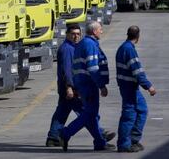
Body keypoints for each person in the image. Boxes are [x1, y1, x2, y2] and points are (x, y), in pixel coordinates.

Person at [46, 24, 115, 147]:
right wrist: (69, 87)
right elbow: (67, 70)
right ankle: (98, 135)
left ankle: (53, 137)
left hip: (72, 87)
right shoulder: (68, 49)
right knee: (87, 113)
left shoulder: (76, 46)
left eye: (78, 34)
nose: (76, 36)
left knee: (62, 112)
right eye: (73, 34)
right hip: (72, 88)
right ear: (67, 34)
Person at [116, 25, 157, 153]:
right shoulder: (129, 50)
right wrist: (148, 86)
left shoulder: (123, 47)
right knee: (129, 115)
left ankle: (133, 139)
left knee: (142, 110)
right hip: (129, 87)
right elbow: (137, 71)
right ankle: (124, 144)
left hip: (129, 86)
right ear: (138, 37)